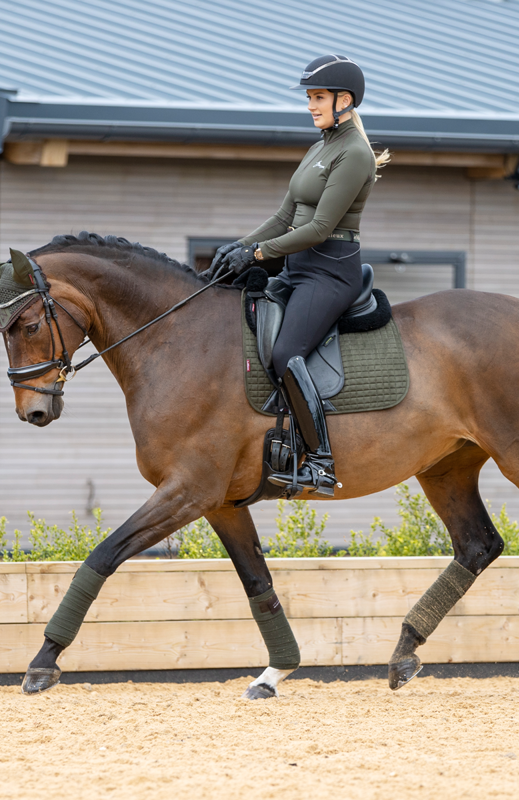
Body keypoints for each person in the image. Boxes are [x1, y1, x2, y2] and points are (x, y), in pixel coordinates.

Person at [207, 54, 390, 497]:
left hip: (330, 273)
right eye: (309, 97)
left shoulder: (354, 153)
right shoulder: (320, 146)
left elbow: (320, 228)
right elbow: (285, 215)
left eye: (319, 97)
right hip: (298, 267)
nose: (311, 105)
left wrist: (256, 252)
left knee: (286, 351)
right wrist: (237, 247)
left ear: (344, 100)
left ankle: (322, 463)